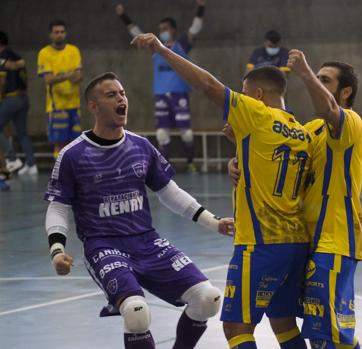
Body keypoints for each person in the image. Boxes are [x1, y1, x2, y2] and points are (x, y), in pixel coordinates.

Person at [132, 33, 311, 349]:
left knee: (236, 326)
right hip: (295, 242)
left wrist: (162, 51)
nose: (237, 102)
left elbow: (208, 86)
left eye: (243, 95)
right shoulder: (300, 131)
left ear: (256, 94)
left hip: (260, 243)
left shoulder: (256, 113)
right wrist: (238, 152)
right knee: (283, 322)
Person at [44, 72, 234, 349]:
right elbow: (58, 206)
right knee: (136, 313)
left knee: (208, 299)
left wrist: (213, 222)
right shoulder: (73, 155)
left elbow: (168, 191)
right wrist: (57, 251)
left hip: (146, 240)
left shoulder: (141, 146)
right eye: (111, 95)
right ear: (93, 106)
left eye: (122, 93)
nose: (121, 99)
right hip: (104, 245)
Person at [228, 51, 362, 349]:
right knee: (316, 327)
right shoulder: (307, 130)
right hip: (308, 240)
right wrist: (238, 156)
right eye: (315, 78)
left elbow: (330, 110)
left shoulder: (351, 123)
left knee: (328, 334)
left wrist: (303, 72)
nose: (316, 82)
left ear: (345, 92)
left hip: (336, 238)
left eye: (324, 80)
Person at [115, 0, 206, 173]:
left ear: (173, 30)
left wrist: (201, 7)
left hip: (179, 94)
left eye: (165, 28)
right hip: (161, 94)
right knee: (162, 133)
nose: (161, 32)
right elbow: (137, 33)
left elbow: (195, 28)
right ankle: (164, 166)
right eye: (160, 29)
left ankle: (191, 162)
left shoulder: (181, 45)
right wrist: (123, 16)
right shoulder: (155, 47)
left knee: (186, 132)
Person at [37, 19, 83, 159]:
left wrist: (64, 76)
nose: (60, 35)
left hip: (74, 104)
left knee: (75, 143)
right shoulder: (44, 53)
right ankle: (59, 172)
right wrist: (69, 75)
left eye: (62, 32)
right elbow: (48, 79)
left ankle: (74, 173)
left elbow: (79, 75)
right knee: (59, 144)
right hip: (57, 106)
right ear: (51, 35)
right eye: (56, 32)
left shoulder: (74, 50)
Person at [0, 31, 37, 175]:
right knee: (22, 133)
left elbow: (2, 81)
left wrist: (1, 97)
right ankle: (31, 164)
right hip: (23, 98)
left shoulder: (3, 57)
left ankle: (12, 158)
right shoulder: (17, 56)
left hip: (11, 98)